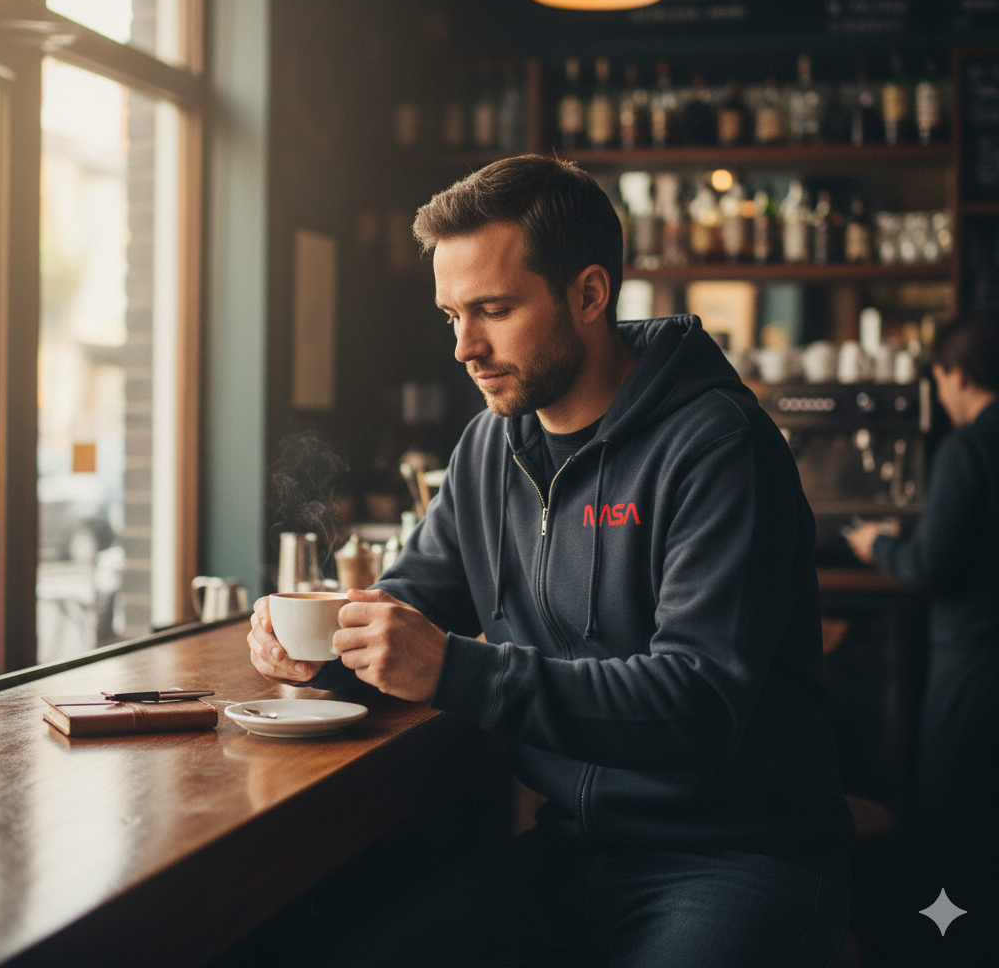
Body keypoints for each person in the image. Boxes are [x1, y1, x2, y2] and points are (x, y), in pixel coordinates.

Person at [249, 155, 853, 967]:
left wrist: (456, 672)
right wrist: (316, 650)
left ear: (590, 294)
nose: (465, 346)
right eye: (451, 315)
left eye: (493, 309)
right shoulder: (488, 448)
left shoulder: (718, 446)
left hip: (740, 858)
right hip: (572, 853)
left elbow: (698, 702)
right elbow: (411, 609)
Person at [846, 312, 999, 941]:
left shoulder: (969, 447)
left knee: (948, 811)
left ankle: (948, 941)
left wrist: (877, 544)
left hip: (973, 658)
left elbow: (927, 563)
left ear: (953, 374)